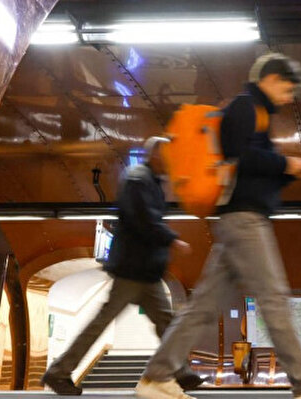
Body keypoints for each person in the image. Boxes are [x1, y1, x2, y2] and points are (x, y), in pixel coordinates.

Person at [135, 53, 301, 399]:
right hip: (244, 220)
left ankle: (156, 378)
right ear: (270, 79)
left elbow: (254, 171)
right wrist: (288, 163)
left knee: (204, 307)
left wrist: (293, 170)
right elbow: (242, 157)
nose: (289, 96)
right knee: (273, 298)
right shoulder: (246, 108)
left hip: (238, 220)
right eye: (288, 87)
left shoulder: (257, 115)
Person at [41, 137, 202, 395]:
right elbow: (143, 218)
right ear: (156, 156)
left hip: (146, 270)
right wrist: (172, 239)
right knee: (103, 322)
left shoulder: (151, 182)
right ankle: (58, 373)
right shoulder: (139, 179)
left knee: (165, 321)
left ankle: (181, 371)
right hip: (132, 268)